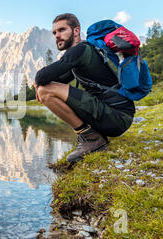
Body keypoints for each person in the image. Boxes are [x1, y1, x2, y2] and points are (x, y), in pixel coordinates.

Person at [33, 13, 135, 163]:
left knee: (44, 91)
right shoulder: (85, 53)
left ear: (76, 31)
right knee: (45, 90)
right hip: (117, 116)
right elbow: (58, 79)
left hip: (117, 117)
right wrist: (42, 84)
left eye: (62, 30)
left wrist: (39, 85)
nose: (57, 36)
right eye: (54, 32)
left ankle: (91, 139)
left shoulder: (80, 50)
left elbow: (42, 77)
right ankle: (92, 137)